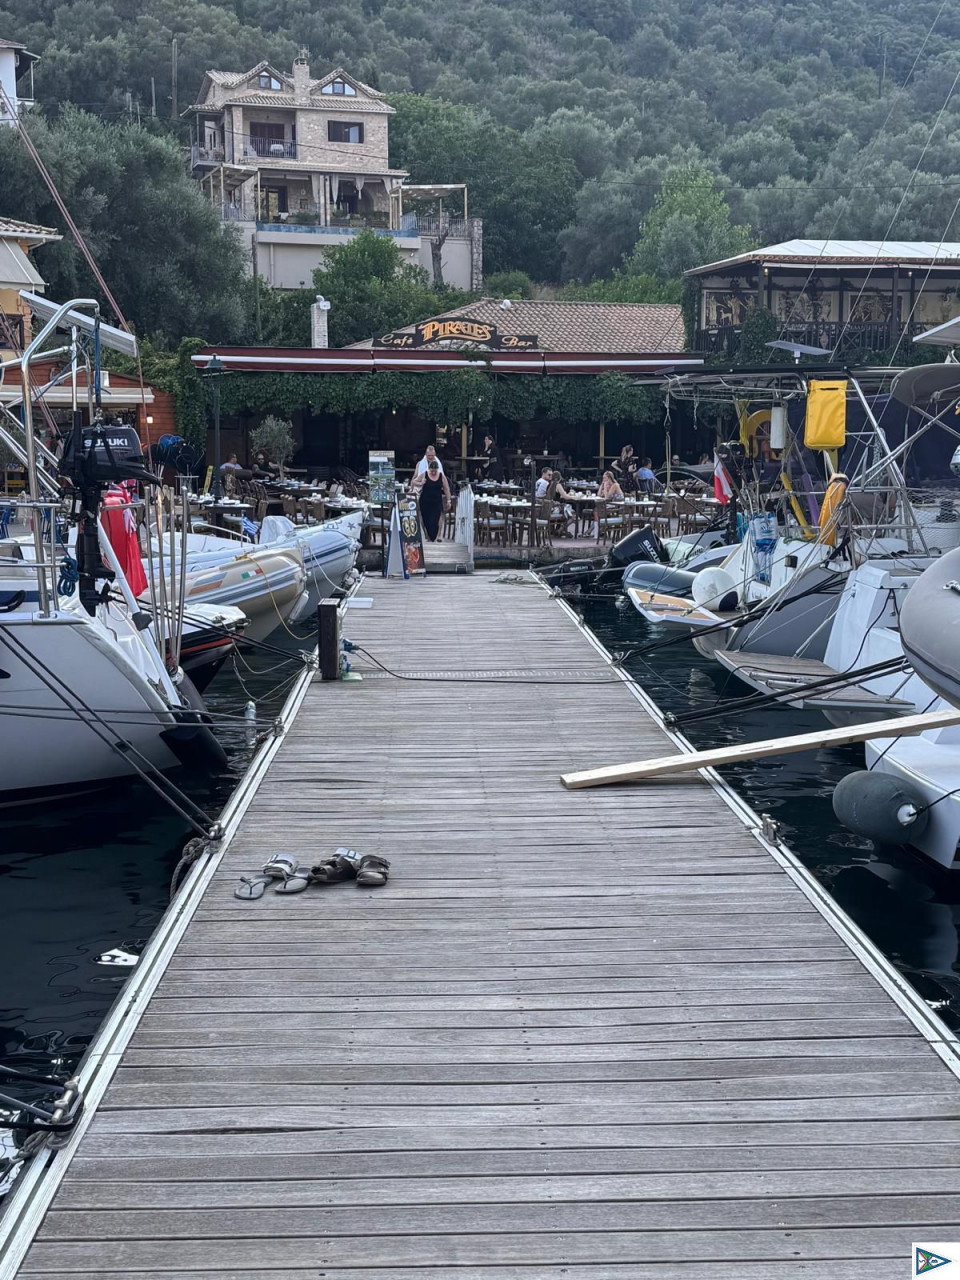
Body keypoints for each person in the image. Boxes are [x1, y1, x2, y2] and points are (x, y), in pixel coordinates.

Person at [412, 458, 451, 541]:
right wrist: (421, 483)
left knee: (438, 516)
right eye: (432, 471)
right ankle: (427, 535)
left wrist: (448, 500)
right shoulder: (424, 474)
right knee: (425, 518)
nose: (433, 473)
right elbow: (413, 481)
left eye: (435, 471)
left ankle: (439, 535)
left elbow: (446, 488)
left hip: (437, 500)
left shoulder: (441, 476)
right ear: (429, 469)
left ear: (437, 469)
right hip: (425, 500)